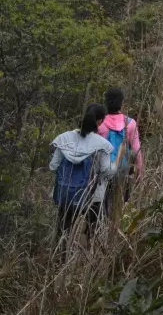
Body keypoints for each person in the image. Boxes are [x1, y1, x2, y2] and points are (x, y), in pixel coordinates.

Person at [50, 103, 115, 243]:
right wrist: (116, 167)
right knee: (92, 232)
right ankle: (87, 259)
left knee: (63, 231)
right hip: (93, 196)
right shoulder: (102, 144)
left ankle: (59, 259)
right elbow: (106, 171)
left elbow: (53, 166)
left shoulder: (63, 139)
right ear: (100, 121)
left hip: (65, 194)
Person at [98, 87, 144, 217]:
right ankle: (118, 228)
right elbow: (137, 149)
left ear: (106, 103)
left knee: (103, 206)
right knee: (122, 205)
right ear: (122, 103)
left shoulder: (100, 123)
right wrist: (139, 172)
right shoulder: (130, 123)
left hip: (103, 171)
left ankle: (102, 229)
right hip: (123, 171)